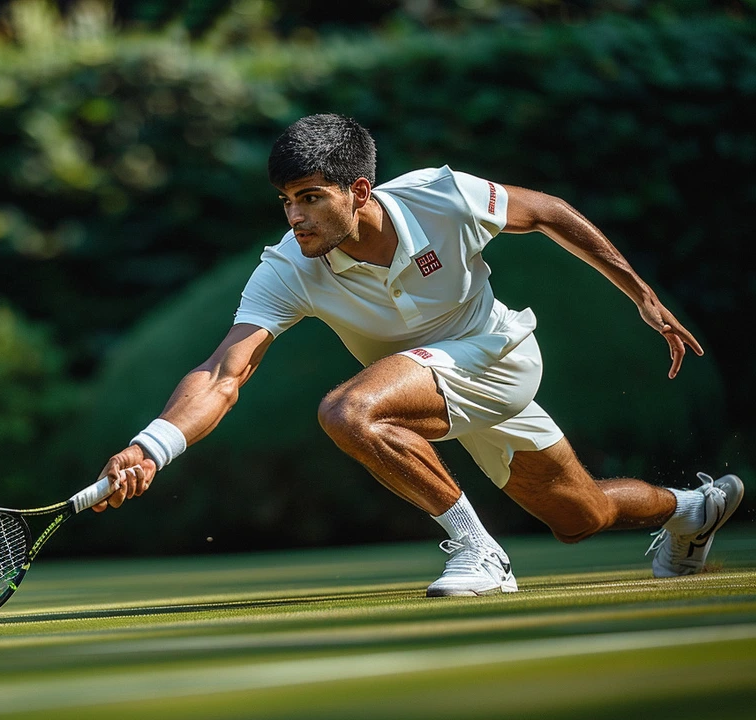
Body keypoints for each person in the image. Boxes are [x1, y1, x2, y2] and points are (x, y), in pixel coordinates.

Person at [92, 113, 744, 596]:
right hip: (430, 385)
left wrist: (641, 293)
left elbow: (546, 211)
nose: (295, 217)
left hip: (497, 356)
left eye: (312, 197)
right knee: (581, 515)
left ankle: (479, 553)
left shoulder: (441, 196)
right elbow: (221, 373)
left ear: (361, 191)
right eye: (287, 201)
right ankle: (692, 509)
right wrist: (151, 447)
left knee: (350, 412)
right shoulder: (286, 269)